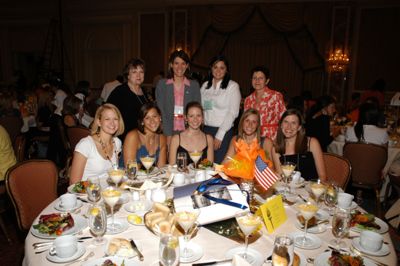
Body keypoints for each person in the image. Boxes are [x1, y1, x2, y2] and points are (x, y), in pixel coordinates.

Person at [200, 55, 241, 163]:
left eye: (222, 68)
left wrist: (220, 135)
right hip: (205, 131)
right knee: (205, 165)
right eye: (215, 67)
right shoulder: (205, 86)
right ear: (211, 68)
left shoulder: (233, 86)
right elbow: (201, 109)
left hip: (223, 131)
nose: (218, 70)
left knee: (219, 167)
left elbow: (233, 113)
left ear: (226, 70)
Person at [69, 104, 124, 184]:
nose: (112, 123)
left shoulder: (117, 142)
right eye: (107, 119)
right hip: (86, 193)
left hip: (108, 192)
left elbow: (114, 173)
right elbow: (73, 183)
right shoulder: (86, 145)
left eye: (115, 119)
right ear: (99, 122)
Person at [156, 50, 201, 145]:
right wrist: (168, 134)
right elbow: (160, 110)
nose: (179, 67)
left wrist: (192, 132)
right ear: (171, 65)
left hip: (188, 131)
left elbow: (197, 110)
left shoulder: (194, 85)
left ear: (187, 66)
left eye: (183, 63)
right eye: (176, 63)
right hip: (167, 131)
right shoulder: (162, 84)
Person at [271, 109, 326, 181]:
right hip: (289, 190)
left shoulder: (312, 143)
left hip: (311, 190)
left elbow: (323, 177)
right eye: (286, 122)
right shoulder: (276, 148)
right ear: (281, 125)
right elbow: (281, 178)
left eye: (293, 123)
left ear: (299, 127)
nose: (288, 127)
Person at [107, 58, 149, 141]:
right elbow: (107, 114)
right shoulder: (120, 91)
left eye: (141, 72)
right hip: (124, 137)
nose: (138, 75)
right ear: (128, 75)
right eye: (134, 72)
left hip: (142, 136)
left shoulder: (144, 92)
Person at [244, 66, 286, 140]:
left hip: (273, 137)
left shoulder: (276, 96)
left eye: (261, 78)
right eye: (254, 78)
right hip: (254, 137)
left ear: (267, 81)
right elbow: (245, 121)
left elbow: (284, 118)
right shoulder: (248, 99)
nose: (257, 81)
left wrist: (281, 138)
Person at [123, 102, 167, 168]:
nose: (152, 121)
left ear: (160, 117)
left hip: (148, 176)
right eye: (147, 118)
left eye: (154, 116)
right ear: (142, 122)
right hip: (125, 176)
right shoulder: (133, 137)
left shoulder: (162, 138)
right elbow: (130, 170)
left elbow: (161, 168)